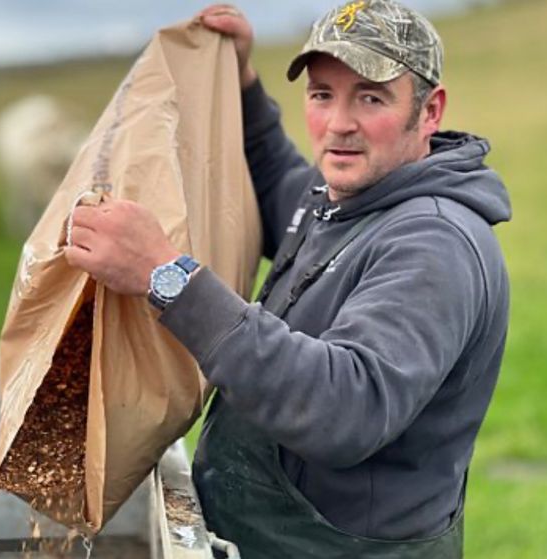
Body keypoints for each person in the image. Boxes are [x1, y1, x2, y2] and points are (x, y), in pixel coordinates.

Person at [63, 0, 511, 556]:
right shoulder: (346, 200)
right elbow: (278, 177)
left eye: (370, 98)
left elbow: (346, 407)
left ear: (430, 110)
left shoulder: (434, 245)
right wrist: (243, 79)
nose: (339, 123)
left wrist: (165, 274)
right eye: (323, 94)